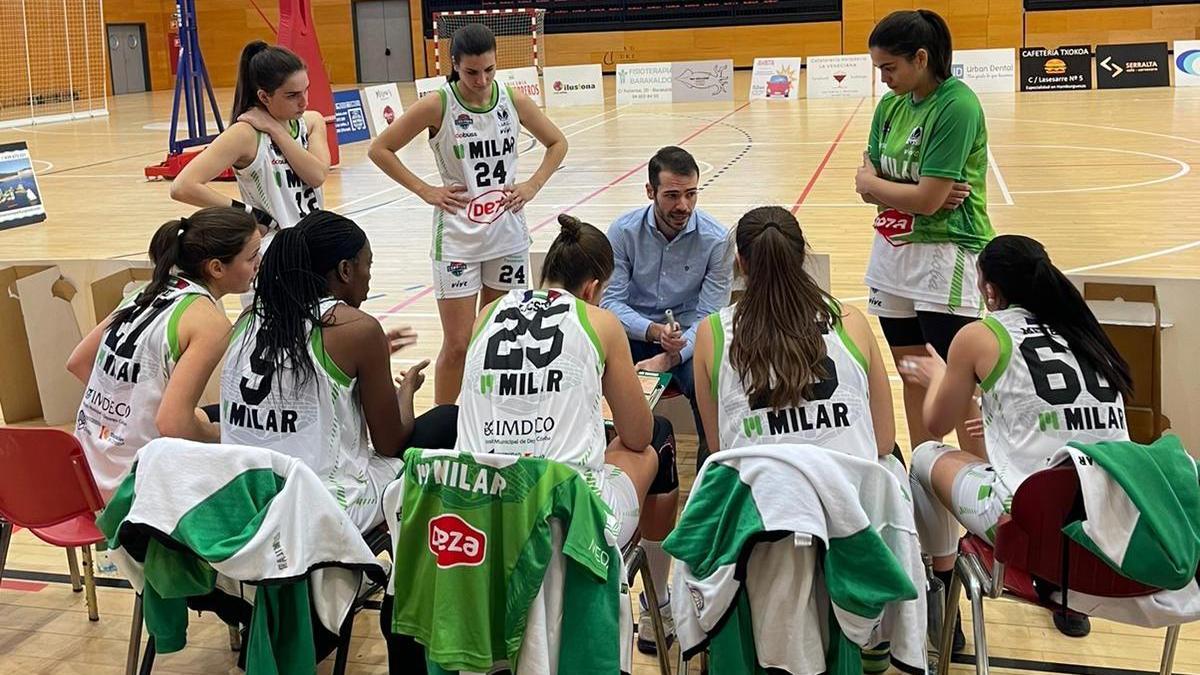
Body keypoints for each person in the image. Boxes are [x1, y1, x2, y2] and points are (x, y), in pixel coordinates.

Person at [458, 214, 681, 654]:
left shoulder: (487, 314)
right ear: (593, 289)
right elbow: (636, 435)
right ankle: (660, 609)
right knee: (657, 438)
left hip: (477, 508)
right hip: (562, 517)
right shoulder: (599, 321)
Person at [900, 235, 1132, 642]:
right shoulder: (1086, 331)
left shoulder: (980, 335)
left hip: (1032, 525)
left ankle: (937, 589)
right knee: (1052, 473)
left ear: (990, 289)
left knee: (923, 455)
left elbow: (935, 423)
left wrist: (938, 377)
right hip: (1113, 518)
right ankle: (1069, 601)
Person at [368, 23, 568, 406]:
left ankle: (489, 416)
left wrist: (532, 185)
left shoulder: (512, 99)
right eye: (472, 72)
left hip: (506, 235)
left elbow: (558, 142)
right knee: (458, 345)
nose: (482, 79)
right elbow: (381, 149)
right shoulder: (438, 104)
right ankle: (447, 426)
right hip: (458, 238)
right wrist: (425, 190)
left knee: (499, 337)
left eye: (489, 70)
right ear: (455, 65)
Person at [220, 210, 456, 533]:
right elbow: (389, 442)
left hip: (243, 501)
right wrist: (406, 392)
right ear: (345, 270)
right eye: (367, 265)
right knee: (447, 421)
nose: (370, 277)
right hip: (319, 509)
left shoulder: (248, 318)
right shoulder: (358, 330)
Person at [856, 9, 993, 457]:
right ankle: (924, 472)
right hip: (892, 251)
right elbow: (868, 186)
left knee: (955, 381)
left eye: (889, 68)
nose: (883, 79)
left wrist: (883, 186)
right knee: (912, 371)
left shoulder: (957, 105)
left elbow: (929, 201)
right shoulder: (890, 106)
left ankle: (983, 485)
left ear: (921, 57)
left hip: (945, 252)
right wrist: (897, 190)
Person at [67, 207, 261, 500]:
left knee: (210, 415)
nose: (259, 263)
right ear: (217, 268)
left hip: (82, 471)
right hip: (132, 488)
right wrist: (222, 435)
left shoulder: (145, 291)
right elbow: (172, 424)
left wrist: (126, 409)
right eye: (251, 257)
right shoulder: (210, 324)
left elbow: (78, 362)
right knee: (244, 447)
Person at [694, 206, 895, 461]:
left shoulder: (711, 333)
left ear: (740, 263)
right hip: (843, 491)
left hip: (760, 493)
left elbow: (718, 447)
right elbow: (884, 440)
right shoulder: (850, 320)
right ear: (802, 256)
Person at [601, 146, 732, 465]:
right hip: (633, 337)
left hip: (688, 341)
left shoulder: (717, 241)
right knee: (589, 367)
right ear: (650, 191)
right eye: (672, 195)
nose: (683, 205)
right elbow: (610, 302)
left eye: (691, 194)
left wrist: (673, 354)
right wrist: (653, 331)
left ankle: (712, 469)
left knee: (712, 382)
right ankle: (599, 460)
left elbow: (710, 316)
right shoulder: (622, 232)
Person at [171, 41, 328, 247]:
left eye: (306, 90)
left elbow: (316, 176)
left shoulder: (312, 121)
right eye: (292, 95)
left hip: (315, 241)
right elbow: (182, 187)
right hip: (276, 250)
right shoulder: (245, 134)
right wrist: (249, 215)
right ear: (264, 96)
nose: (304, 102)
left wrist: (276, 131)